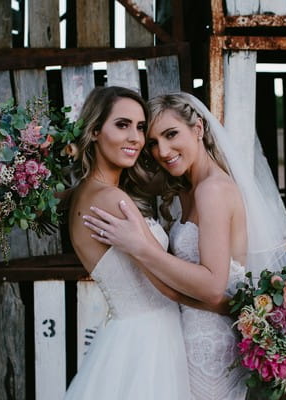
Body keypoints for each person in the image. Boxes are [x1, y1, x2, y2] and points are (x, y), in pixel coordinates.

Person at [83, 92, 286, 400]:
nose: (163, 151)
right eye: (153, 142)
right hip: (190, 334)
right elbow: (112, 175)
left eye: (171, 135)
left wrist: (139, 246)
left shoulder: (213, 191)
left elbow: (212, 287)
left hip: (210, 343)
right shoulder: (185, 185)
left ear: (198, 128)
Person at [62, 86, 193, 399]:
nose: (135, 137)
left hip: (131, 334)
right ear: (94, 131)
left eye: (140, 127)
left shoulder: (85, 192)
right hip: (150, 342)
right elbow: (170, 282)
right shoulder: (111, 199)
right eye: (122, 125)